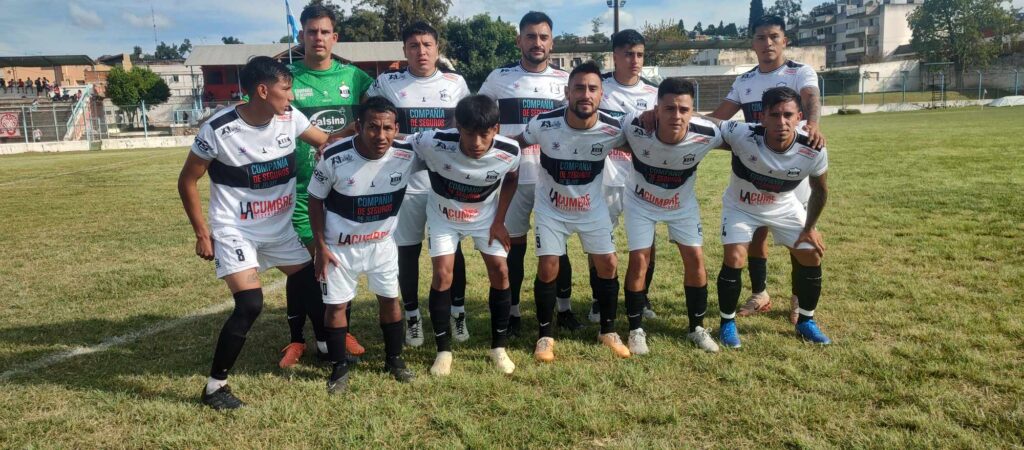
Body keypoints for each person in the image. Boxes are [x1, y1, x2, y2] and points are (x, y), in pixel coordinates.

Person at [177, 56, 336, 410]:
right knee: (250, 304)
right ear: (263, 91)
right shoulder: (218, 130)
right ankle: (215, 387)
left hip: (278, 229)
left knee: (311, 284)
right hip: (236, 231)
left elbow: (325, 141)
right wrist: (202, 233)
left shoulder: (290, 118)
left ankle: (326, 348)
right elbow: (187, 180)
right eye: (286, 89)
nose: (291, 96)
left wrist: (362, 130)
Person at [276, 4, 375, 369]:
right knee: (303, 267)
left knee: (339, 264)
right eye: (311, 31)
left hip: (342, 188)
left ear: (335, 37)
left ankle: (339, 330)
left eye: (324, 32)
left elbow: (379, 114)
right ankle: (297, 339)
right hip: (297, 188)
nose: (317, 38)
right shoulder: (286, 77)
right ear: (301, 35)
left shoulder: (355, 77)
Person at [709, 15, 825, 323]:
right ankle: (760, 293)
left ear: (784, 41)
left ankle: (798, 298)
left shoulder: (799, 71)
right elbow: (719, 117)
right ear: (753, 43)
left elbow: (811, 98)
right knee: (756, 234)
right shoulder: (745, 81)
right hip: (757, 168)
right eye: (761, 37)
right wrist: (679, 118)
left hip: (790, 168)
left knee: (798, 236)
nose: (768, 43)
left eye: (774, 36)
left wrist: (813, 124)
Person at [512, 61, 629, 362]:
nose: (585, 95)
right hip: (551, 209)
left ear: (601, 95)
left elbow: (645, 144)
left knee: (608, 263)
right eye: (579, 88)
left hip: (592, 208)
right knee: (548, 265)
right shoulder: (543, 123)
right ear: (567, 93)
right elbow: (515, 145)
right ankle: (544, 336)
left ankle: (608, 331)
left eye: (592, 89)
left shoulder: (614, 128)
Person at [367, 21, 472, 347]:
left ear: (437, 48)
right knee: (407, 251)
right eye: (414, 46)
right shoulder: (387, 82)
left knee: (451, 251)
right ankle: (412, 316)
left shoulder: (456, 83)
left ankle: (457, 312)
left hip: (445, 182)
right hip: (406, 181)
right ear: (405, 51)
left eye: (427, 45)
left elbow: (466, 126)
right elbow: (370, 117)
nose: (421, 51)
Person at [478, 11, 579, 338]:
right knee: (515, 246)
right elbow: (479, 116)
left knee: (557, 247)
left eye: (543, 37)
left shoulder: (566, 81)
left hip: (554, 177)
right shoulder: (499, 78)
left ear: (552, 43)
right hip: (513, 177)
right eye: (531, 36)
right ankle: (513, 312)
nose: (537, 43)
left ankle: (564, 309)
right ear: (519, 40)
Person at [307, 96, 418, 393]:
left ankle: (394, 361)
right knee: (336, 306)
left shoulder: (407, 154)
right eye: (372, 127)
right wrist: (320, 246)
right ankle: (339, 367)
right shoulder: (334, 156)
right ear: (358, 127)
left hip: (381, 244)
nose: (380, 135)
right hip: (339, 248)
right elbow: (315, 200)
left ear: (396, 129)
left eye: (387, 128)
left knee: (390, 300)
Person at [709, 86, 832, 348]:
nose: (782, 122)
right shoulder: (742, 132)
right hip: (741, 206)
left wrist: (810, 228)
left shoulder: (813, 148)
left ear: (799, 117)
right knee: (735, 257)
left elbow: (820, 191)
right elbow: (710, 122)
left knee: (811, 252)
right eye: (774, 115)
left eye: (788, 115)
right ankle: (727, 323)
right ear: (762, 117)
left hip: (783, 205)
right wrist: (664, 114)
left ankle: (806, 321)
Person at [407, 95, 521, 375]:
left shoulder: (510, 151)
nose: (476, 143)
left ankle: (499, 348)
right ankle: (443, 352)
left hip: (485, 219)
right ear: (458, 127)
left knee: (501, 271)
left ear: (496, 128)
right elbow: (397, 140)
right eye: (469, 134)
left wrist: (499, 220)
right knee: (442, 275)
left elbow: (512, 178)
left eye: (484, 134)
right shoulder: (433, 141)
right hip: (444, 217)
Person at [617, 78, 722, 355]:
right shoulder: (635, 124)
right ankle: (635, 329)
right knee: (639, 259)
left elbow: (745, 137)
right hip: (640, 202)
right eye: (669, 108)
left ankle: (696, 327)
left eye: (684, 109)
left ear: (692, 112)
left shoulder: (708, 133)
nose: (677, 115)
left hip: (681, 205)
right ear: (657, 109)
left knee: (695, 258)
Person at [591, 28, 660, 324]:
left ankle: (642, 297)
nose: (635, 60)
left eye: (640, 55)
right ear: (614, 56)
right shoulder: (598, 87)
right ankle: (599, 299)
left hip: (641, 178)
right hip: (604, 176)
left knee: (646, 242)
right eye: (629, 54)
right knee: (599, 239)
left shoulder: (654, 93)